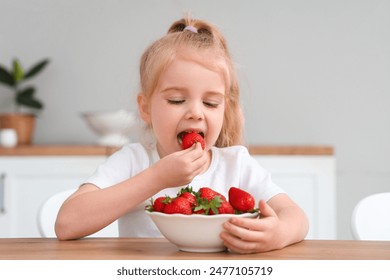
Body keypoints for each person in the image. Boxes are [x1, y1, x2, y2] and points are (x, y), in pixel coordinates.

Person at [55, 16, 308, 254]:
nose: (196, 113)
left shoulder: (236, 164)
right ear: (145, 107)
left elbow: (297, 217)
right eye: (177, 100)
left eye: (210, 103)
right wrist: (156, 178)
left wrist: (279, 233)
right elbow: (67, 223)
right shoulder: (133, 161)